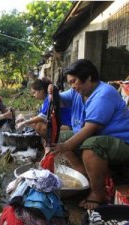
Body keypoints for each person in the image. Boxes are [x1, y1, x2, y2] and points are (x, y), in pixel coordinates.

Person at [49, 59, 129, 210]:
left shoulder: (103, 94)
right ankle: (83, 173)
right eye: (70, 83)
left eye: (75, 81)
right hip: (99, 137)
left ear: (89, 78)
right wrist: (53, 93)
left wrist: (65, 147)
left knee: (91, 146)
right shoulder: (79, 92)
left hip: (122, 142)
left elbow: (89, 129)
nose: (73, 86)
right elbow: (61, 101)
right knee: (58, 137)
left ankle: (98, 194)